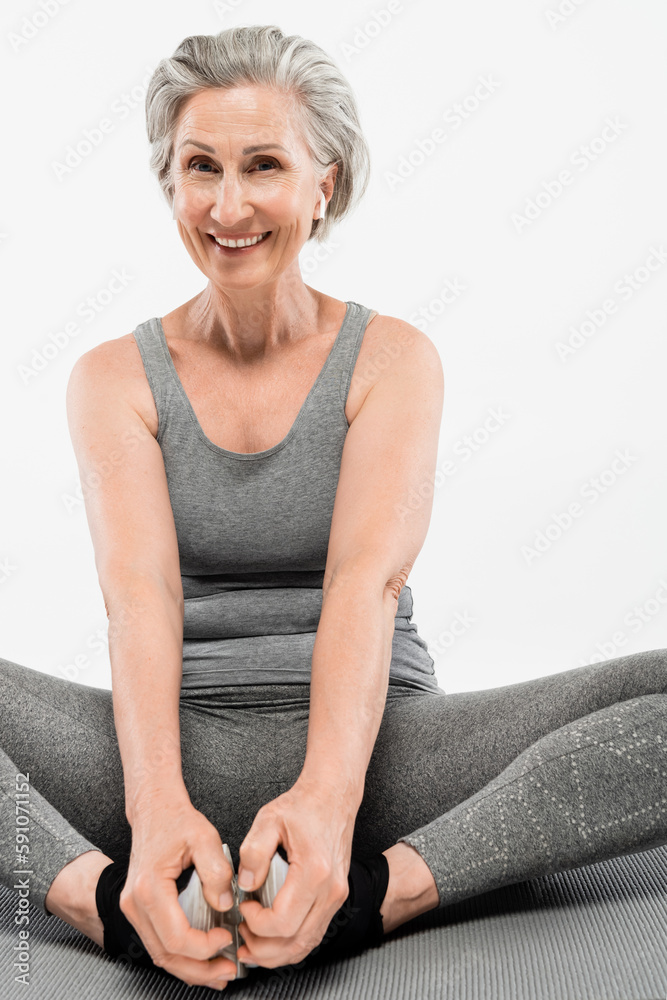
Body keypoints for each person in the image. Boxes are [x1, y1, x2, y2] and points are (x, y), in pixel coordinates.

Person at [2, 23, 666, 993]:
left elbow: (368, 582)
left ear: (325, 184)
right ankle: (95, 899)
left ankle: (382, 894)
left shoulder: (391, 360)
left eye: (263, 164)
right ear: (171, 184)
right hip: (157, 754)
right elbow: (137, 597)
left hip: (382, 758)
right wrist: (155, 815)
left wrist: (324, 800)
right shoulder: (113, 379)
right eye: (201, 168)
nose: (228, 204)